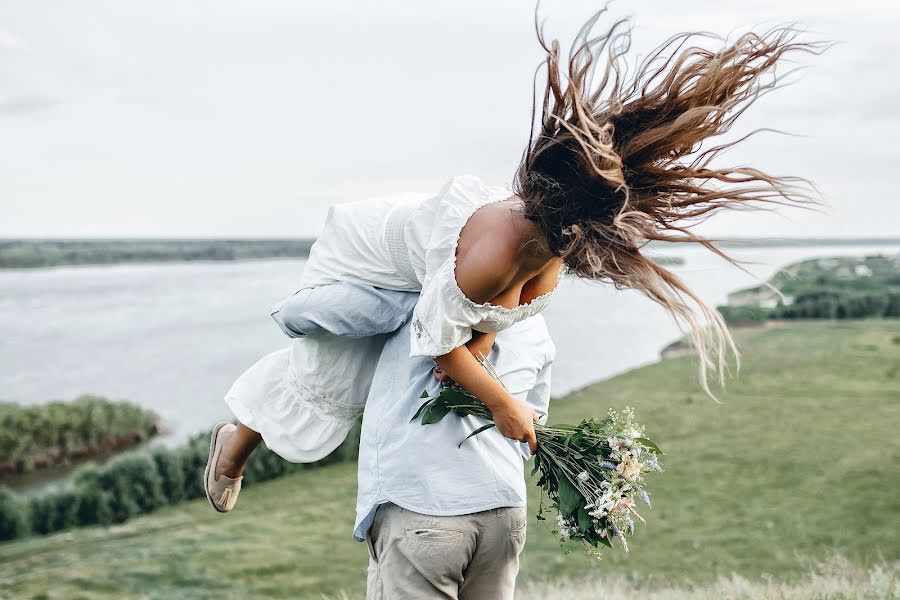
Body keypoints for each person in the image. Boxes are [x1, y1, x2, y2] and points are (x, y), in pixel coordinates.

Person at [204, 8, 818, 512]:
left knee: (402, 367)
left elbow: (487, 325)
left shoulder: (549, 245)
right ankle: (234, 446)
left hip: (438, 268)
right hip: (369, 258)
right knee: (334, 377)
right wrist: (499, 400)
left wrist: (479, 357)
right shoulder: (495, 253)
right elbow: (441, 343)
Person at [355, 301, 554, 600]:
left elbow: (321, 311)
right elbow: (532, 426)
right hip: (503, 508)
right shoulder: (534, 324)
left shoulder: (425, 301)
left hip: (425, 503)